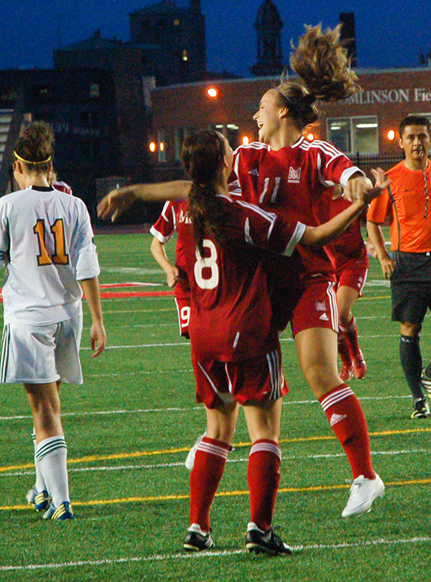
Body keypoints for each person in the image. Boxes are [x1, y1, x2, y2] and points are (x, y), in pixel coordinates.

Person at [99, 24, 385, 518]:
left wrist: (360, 186)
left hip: (305, 280)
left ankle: (365, 476)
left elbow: (347, 172)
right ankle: (213, 441)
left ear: (283, 114)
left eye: (262, 104)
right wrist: (135, 194)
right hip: (258, 285)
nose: (255, 110)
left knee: (319, 373)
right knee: (237, 372)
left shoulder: (313, 152)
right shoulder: (246, 156)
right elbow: (198, 189)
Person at [162, 130, 386, 554]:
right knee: (264, 430)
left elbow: (182, 266)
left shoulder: (187, 210)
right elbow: (315, 238)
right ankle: (260, 530)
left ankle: (197, 528)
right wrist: (360, 203)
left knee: (216, 429)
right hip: (246, 329)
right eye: (229, 151)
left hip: (204, 337)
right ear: (224, 166)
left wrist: (133, 191)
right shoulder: (241, 212)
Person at [0, 121, 106, 521]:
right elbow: (88, 266)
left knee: (44, 410)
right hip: (70, 316)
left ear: (17, 165)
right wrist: (99, 320)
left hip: (30, 318)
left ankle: (61, 502)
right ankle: (42, 490)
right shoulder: (75, 205)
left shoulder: (9, 206)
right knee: (50, 404)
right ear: (50, 164)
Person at [366, 115, 431, 419]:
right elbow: (372, 222)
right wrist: (385, 257)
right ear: (400, 142)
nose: (417, 143)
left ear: (430, 139)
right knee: (410, 328)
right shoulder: (391, 178)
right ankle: (417, 399)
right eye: (410, 137)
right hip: (408, 263)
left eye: (422, 136)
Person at [325, 190, 369, 382]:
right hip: (326, 265)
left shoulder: (352, 195)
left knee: (341, 311)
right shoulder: (314, 197)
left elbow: (371, 220)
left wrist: (375, 243)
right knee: (329, 320)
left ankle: (356, 355)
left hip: (353, 263)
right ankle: (346, 362)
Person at [150, 201, 192, 338]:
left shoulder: (229, 196)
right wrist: (168, 269)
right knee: (196, 341)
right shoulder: (177, 201)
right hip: (187, 287)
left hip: (217, 289)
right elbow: (156, 244)